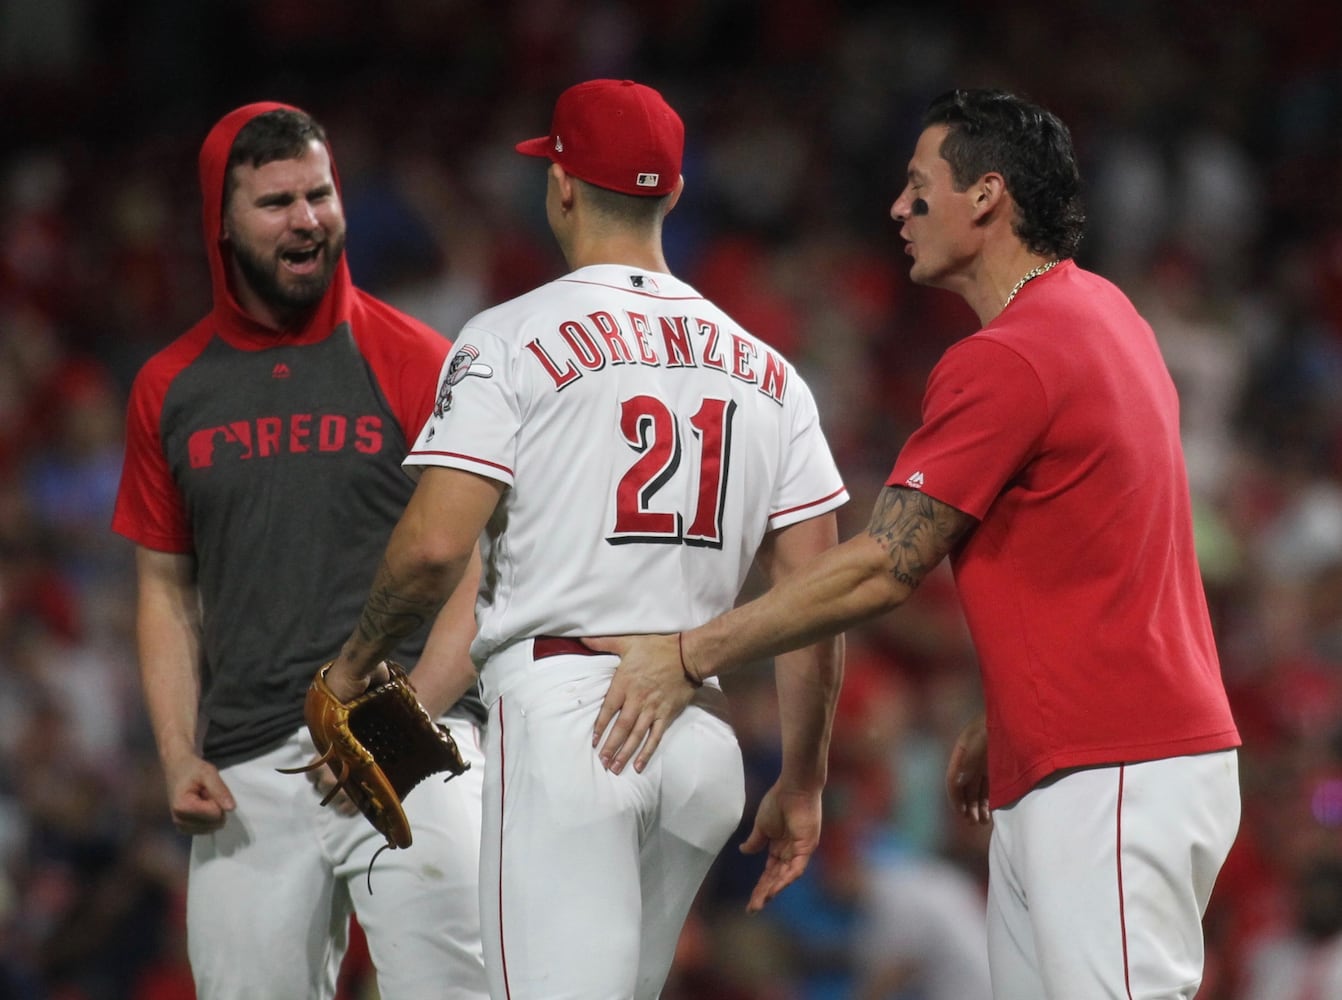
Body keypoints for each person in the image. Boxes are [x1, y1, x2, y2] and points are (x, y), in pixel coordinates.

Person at [590, 88, 1243, 999]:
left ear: (986, 196)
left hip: (1112, 771)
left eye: (918, 185)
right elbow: (1110, 545)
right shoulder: (1104, 314)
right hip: (1104, 755)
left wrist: (692, 652)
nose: (898, 209)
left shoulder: (1011, 353)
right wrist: (1013, 707)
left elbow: (881, 568)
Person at [319, 78, 848, 999]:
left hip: (570, 723)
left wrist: (357, 664)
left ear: (560, 185)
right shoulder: (771, 373)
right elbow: (816, 606)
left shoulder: (509, 336)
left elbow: (434, 547)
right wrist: (801, 782)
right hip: (701, 745)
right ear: (673, 194)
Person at [111, 102, 489, 1000]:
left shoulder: (418, 360)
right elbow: (164, 591)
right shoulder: (169, 389)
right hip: (247, 772)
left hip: (413, 748)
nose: (307, 219)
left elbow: (483, 568)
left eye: (319, 194)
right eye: (276, 202)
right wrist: (176, 754)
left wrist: (404, 728)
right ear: (222, 222)